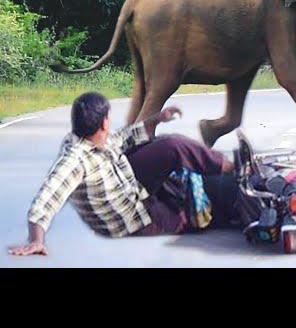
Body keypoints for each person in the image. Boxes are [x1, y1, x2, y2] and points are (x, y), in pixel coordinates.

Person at [9, 91, 237, 257]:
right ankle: (235, 179)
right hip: (134, 218)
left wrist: (158, 118)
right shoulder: (74, 160)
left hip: (129, 186)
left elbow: (124, 138)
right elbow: (47, 198)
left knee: (170, 145)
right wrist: (35, 240)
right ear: (104, 123)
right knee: (199, 212)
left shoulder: (91, 137)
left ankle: (228, 167)